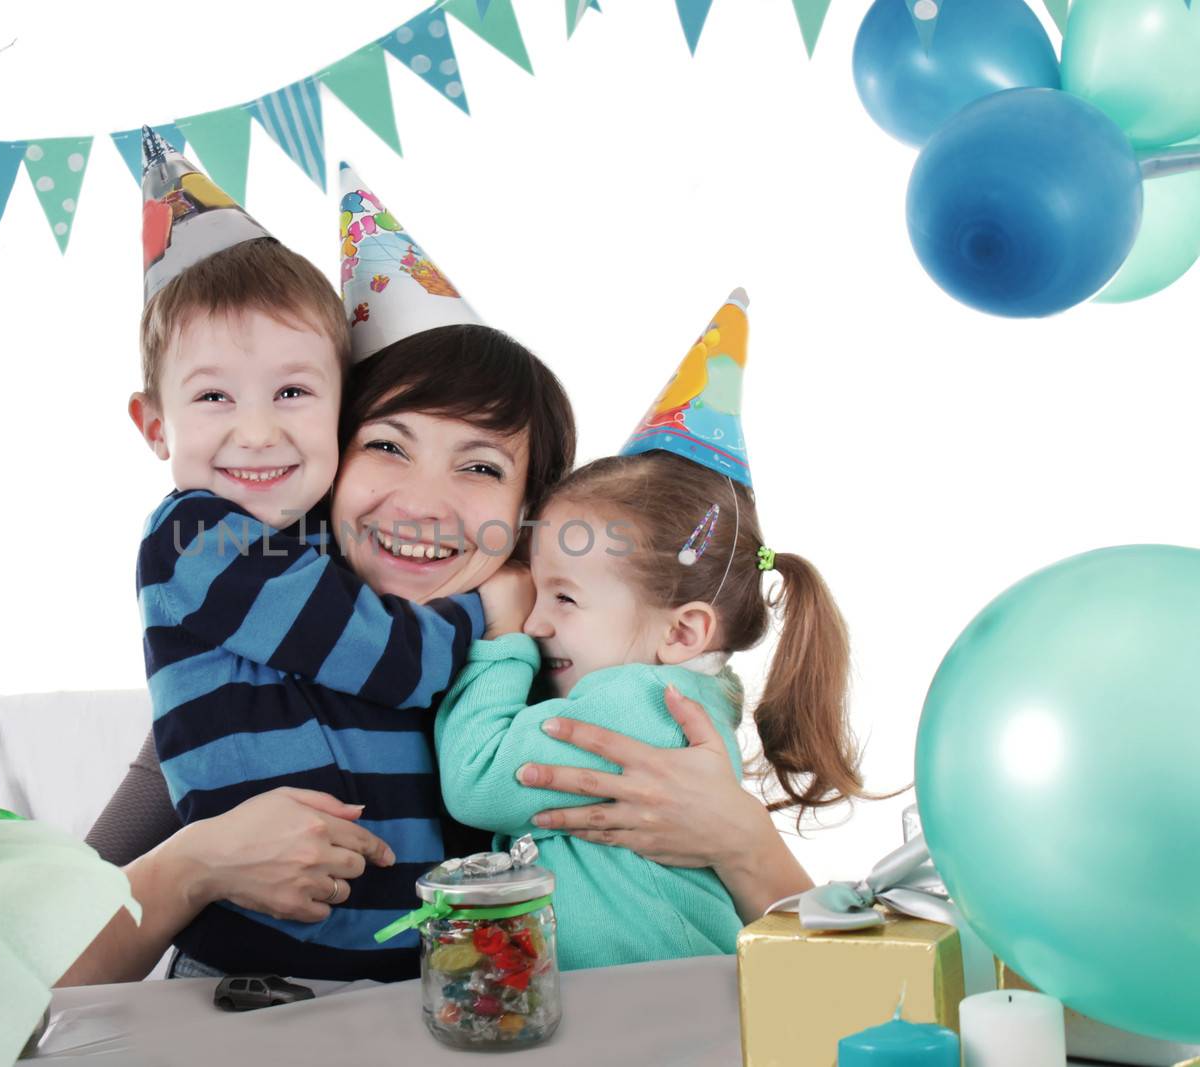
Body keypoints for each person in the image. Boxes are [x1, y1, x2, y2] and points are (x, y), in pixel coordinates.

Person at [58, 187, 813, 989]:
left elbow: (829, 974)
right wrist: (195, 862)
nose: (423, 502)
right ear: (328, 458)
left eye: (481, 466)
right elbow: (45, 977)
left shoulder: (575, 683)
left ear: (530, 515)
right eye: (387, 445)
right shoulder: (259, 672)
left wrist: (743, 842)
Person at [128, 139, 532, 980]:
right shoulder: (194, 537)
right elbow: (393, 658)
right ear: (155, 426)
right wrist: (488, 604)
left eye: (293, 393)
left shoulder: (314, 555)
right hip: (256, 970)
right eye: (212, 397)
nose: (258, 432)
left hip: (398, 974)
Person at [433, 290, 861, 970]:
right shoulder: (675, 697)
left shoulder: (631, 702)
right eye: (536, 590)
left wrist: (501, 640)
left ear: (684, 632)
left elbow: (477, 776)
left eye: (564, 598)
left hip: (657, 1019)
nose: (539, 619)